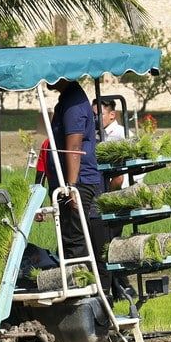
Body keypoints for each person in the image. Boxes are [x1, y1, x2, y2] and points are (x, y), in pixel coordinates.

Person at [47, 80, 110, 289]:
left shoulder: (73, 102)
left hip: (78, 183)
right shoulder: (67, 99)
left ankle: (82, 296)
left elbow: (74, 145)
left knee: (75, 242)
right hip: (72, 182)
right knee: (70, 240)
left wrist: (70, 187)